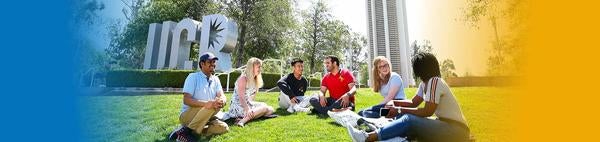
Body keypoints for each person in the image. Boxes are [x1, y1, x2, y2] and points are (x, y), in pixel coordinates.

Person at [346, 53, 470, 142]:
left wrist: (399, 109)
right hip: (444, 124)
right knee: (410, 122)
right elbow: (413, 102)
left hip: (456, 130)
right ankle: (388, 134)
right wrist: (394, 102)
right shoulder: (425, 83)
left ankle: (368, 137)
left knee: (409, 119)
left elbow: (427, 111)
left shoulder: (435, 81)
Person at [169, 52, 229, 142]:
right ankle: (187, 131)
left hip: (208, 115)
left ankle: (186, 131)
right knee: (212, 106)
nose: (213, 64)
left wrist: (222, 100)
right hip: (189, 115)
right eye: (210, 62)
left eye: (214, 62)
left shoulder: (216, 79)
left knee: (224, 128)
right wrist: (206, 104)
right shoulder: (193, 77)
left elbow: (222, 95)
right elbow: (186, 100)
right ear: (202, 64)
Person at [227, 57, 277, 127]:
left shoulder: (256, 79)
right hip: (238, 106)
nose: (260, 69)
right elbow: (241, 97)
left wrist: (252, 107)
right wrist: (248, 109)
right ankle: (242, 121)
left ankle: (245, 117)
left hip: (246, 103)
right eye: (258, 67)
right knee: (264, 108)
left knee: (270, 109)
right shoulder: (243, 78)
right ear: (251, 67)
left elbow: (250, 99)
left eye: (260, 67)